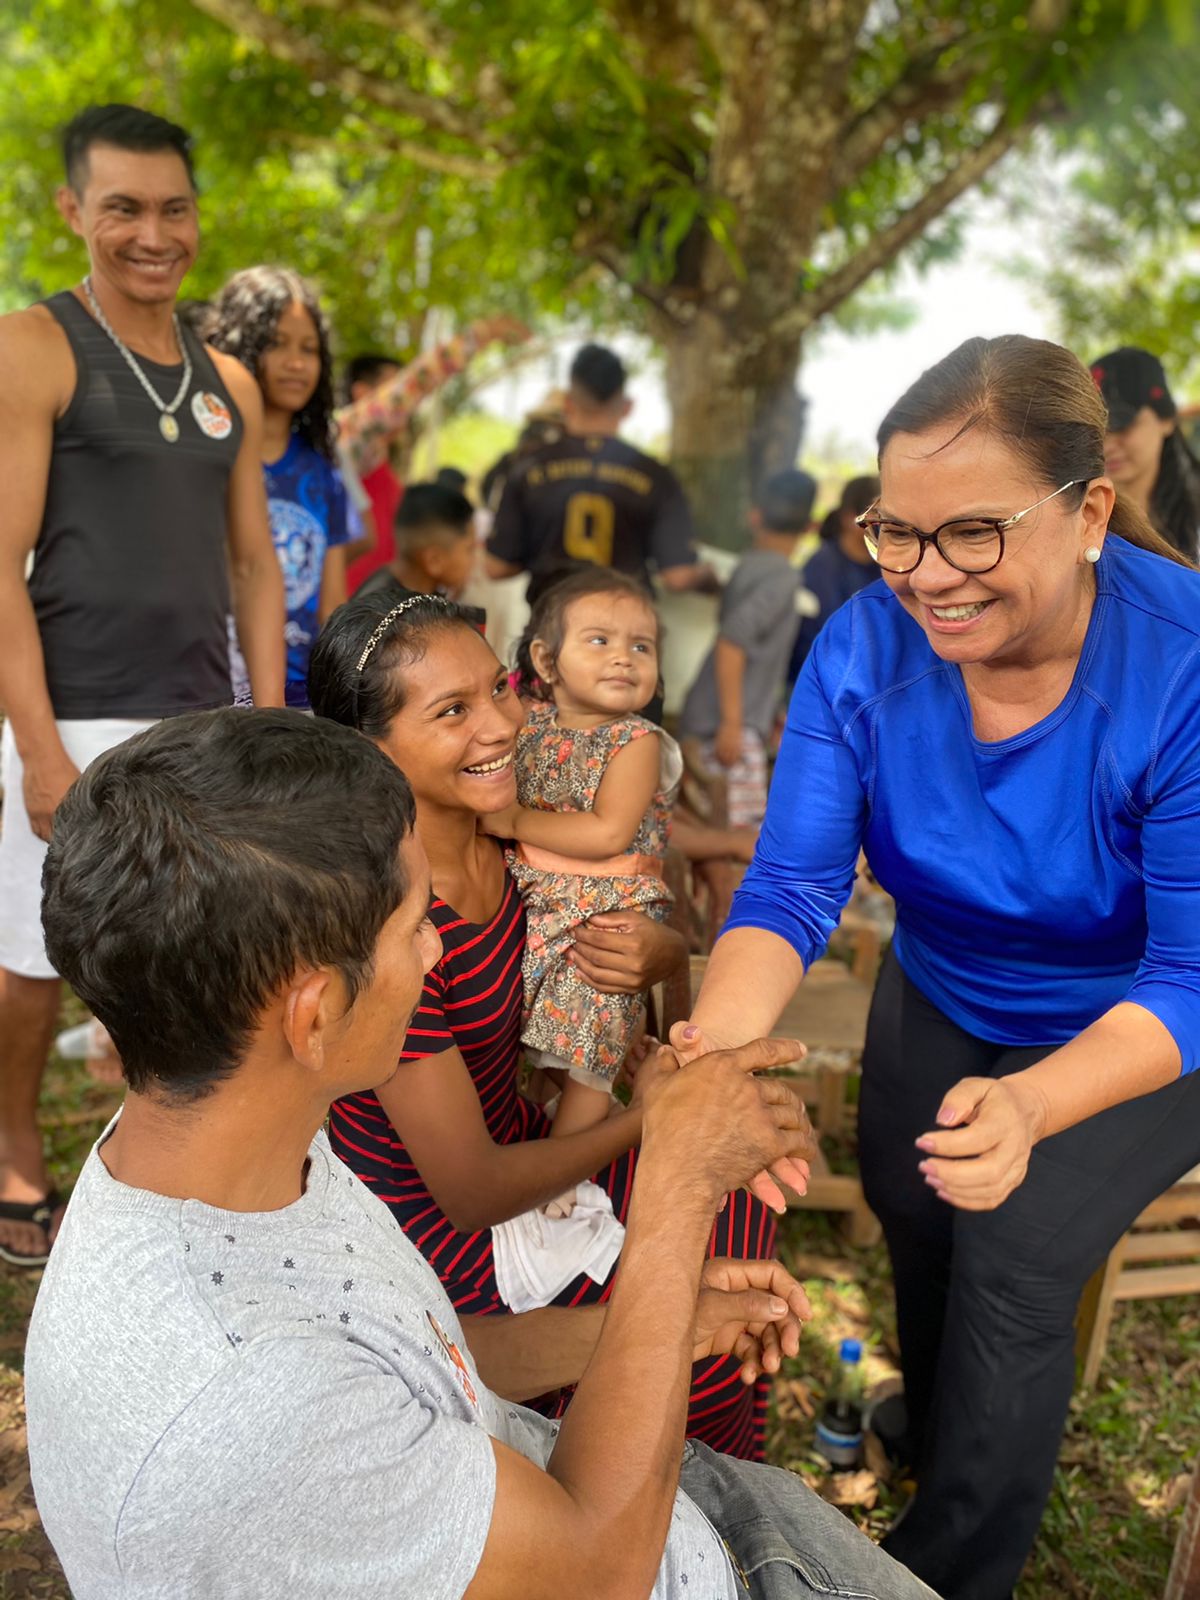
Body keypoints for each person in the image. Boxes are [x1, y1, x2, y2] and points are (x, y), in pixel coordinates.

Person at [25, 707, 936, 1600]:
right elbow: (599, 1575)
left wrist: (663, 1322)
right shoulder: (251, 1403)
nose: (436, 948)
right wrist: (676, 1184)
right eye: (417, 923)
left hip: (673, 1511)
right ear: (313, 1014)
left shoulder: (224, 1153)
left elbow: (420, 1366)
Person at [672, 332, 1200, 1600]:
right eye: (895, 533)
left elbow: (1189, 974)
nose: (926, 578)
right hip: (948, 978)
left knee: (1014, 1241)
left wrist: (1034, 1102)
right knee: (914, 1203)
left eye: (971, 533)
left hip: (1140, 1020)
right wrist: (713, 1055)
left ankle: (946, 1565)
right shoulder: (862, 646)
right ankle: (954, 1430)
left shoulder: (1180, 665)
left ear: (1087, 514)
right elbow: (793, 887)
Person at [308, 593, 788, 1460]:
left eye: (499, 689)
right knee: (701, 1350)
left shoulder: (519, 840)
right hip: (445, 1239)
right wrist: (660, 1119)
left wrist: (668, 962)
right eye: (452, 712)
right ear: (370, 748)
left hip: (541, 1140)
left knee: (745, 1181)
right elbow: (472, 1191)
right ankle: (656, 1507)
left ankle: (719, 1486)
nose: (498, 724)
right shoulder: (389, 926)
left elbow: (625, 1019)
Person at [0, 103, 284, 1266]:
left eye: (171, 208)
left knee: (185, 969)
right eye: (122, 207)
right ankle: (13, 1148)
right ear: (75, 211)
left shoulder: (230, 381)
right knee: (31, 965)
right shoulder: (34, 344)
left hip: (199, 725)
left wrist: (266, 721)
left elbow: (255, 564)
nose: (149, 232)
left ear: (197, 218)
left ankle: (162, 1175)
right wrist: (39, 747)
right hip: (67, 710)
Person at [483, 570, 677, 1214]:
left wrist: (511, 823)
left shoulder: (637, 741)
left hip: (603, 909)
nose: (624, 656)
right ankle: (534, 1127)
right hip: (537, 897)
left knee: (591, 1030)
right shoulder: (528, 722)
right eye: (598, 640)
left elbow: (608, 831)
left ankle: (562, 1169)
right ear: (546, 660)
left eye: (642, 646)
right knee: (535, 1028)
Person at [209, 266, 356, 710]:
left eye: (309, 349)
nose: (296, 363)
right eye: (276, 344)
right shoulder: (209, 456)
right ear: (241, 346)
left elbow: (332, 604)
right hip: (208, 693)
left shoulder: (323, 472)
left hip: (298, 701)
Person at [485, 343, 716, 605]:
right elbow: (679, 577)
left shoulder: (529, 469)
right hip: (626, 631)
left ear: (568, 403)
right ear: (627, 406)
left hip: (553, 629)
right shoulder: (655, 475)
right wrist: (710, 578)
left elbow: (496, 567)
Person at [340, 319, 529, 593]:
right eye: (392, 387)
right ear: (362, 394)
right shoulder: (345, 442)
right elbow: (410, 388)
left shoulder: (376, 461)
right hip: (348, 612)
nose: (408, 404)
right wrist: (478, 337)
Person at [678, 471, 817, 828]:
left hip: (715, 720)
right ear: (811, 527)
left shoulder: (747, 566)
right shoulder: (784, 578)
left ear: (754, 516)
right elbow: (732, 641)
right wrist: (733, 722)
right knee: (739, 834)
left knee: (714, 826)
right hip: (727, 731)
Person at [1089, 346, 1200, 558]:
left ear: (1166, 420)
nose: (1107, 445)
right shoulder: (1078, 520)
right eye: (1096, 431)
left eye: (1122, 426)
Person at [787, 474, 879, 682]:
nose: (883, 526)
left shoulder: (886, 569)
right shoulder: (823, 565)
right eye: (876, 517)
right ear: (849, 518)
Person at [353, 480, 480, 609]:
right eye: (469, 549)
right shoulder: (385, 612)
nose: (475, 559)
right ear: (434, 560)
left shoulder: (414, 597)